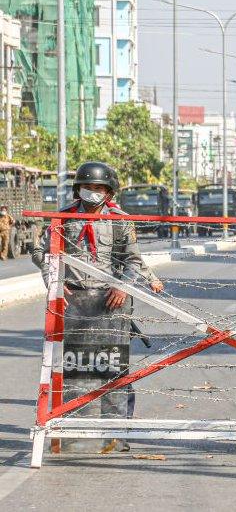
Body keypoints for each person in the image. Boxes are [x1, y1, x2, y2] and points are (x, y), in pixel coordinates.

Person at [31, 161, 164, 452]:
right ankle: (70, 432)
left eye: (99, 188)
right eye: (87, 187)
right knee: (73, 367)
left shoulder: (120, 220)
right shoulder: (62, 218)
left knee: (113, 368)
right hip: (75, 302)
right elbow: (40, 251)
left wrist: (122, 286)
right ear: (78, 189)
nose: (93, 192)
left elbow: (132, 260)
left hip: (111, 303)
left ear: (108, 191)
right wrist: (53, 277)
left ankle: (115, 435)